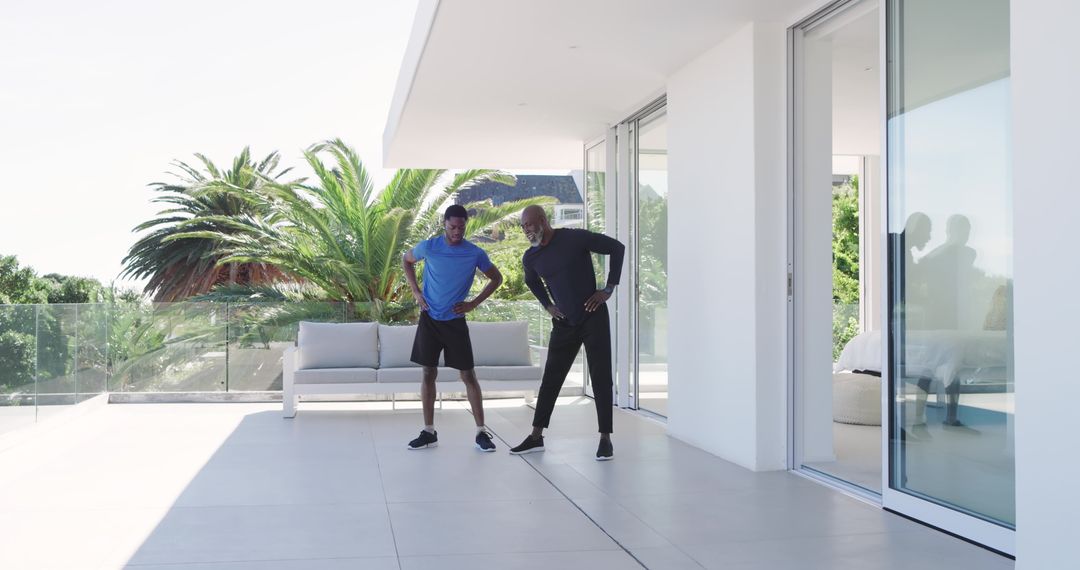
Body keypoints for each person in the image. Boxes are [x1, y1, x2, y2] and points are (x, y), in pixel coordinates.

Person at [509, 205, 625, 461]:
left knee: (601, 377)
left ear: (542, 220)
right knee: (551, 379)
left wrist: (608, 289)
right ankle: (536, 436)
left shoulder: (574, 238)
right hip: (564, 324)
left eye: (529, 224)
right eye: (523, 226)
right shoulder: (531, 258)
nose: (526, 230)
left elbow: (617, 248)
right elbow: (531, 281)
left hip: (593, 317)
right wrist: (548, 305)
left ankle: (605, 438)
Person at [402, 204, 503, 452]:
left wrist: (474, 303)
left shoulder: (474, 253)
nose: (457, 232)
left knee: (468, 375)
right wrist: (416, 291)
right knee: (428, 373)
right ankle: (428, 432)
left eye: (461, 227)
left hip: (455, 322)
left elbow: (496, 278)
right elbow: (406, 260)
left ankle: (481, 432)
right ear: (444, 225)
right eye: (453, 227)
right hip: (430, 319)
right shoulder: (429, 247)